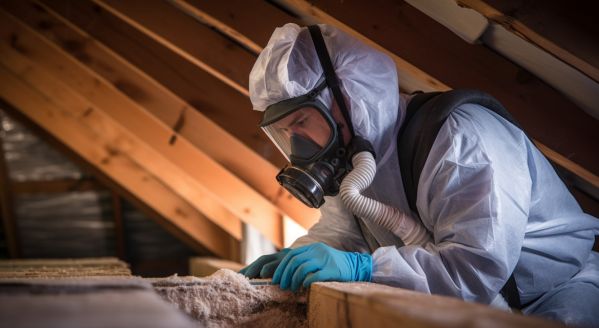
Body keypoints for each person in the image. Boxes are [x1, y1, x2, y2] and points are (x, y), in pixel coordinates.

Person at [240, 23, 599, 327]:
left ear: (347, 95)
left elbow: (474, 269)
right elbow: (344, 238)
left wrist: (363, 268)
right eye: (284, 132)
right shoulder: (352, 159)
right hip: (470, 306)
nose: (296, 143)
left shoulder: (460, 140)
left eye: (301, 121)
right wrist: (293, 260)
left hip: (556, 298)